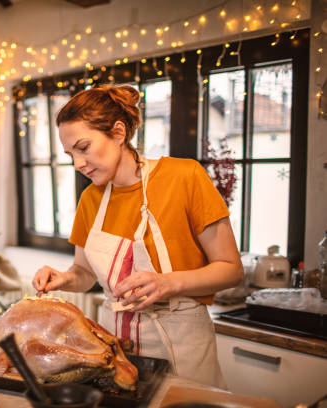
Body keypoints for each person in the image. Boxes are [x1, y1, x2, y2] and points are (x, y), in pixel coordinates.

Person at [32, 85, 243, 389]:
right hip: (115, 349)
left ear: (118, 133)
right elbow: (84, 273)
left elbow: (231, 268)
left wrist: (168, 283)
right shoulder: (91, 199)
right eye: (70, 154)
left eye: (83, 147)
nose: (77, 163)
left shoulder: (185, 177)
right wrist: (64, 279)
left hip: (183, 346)